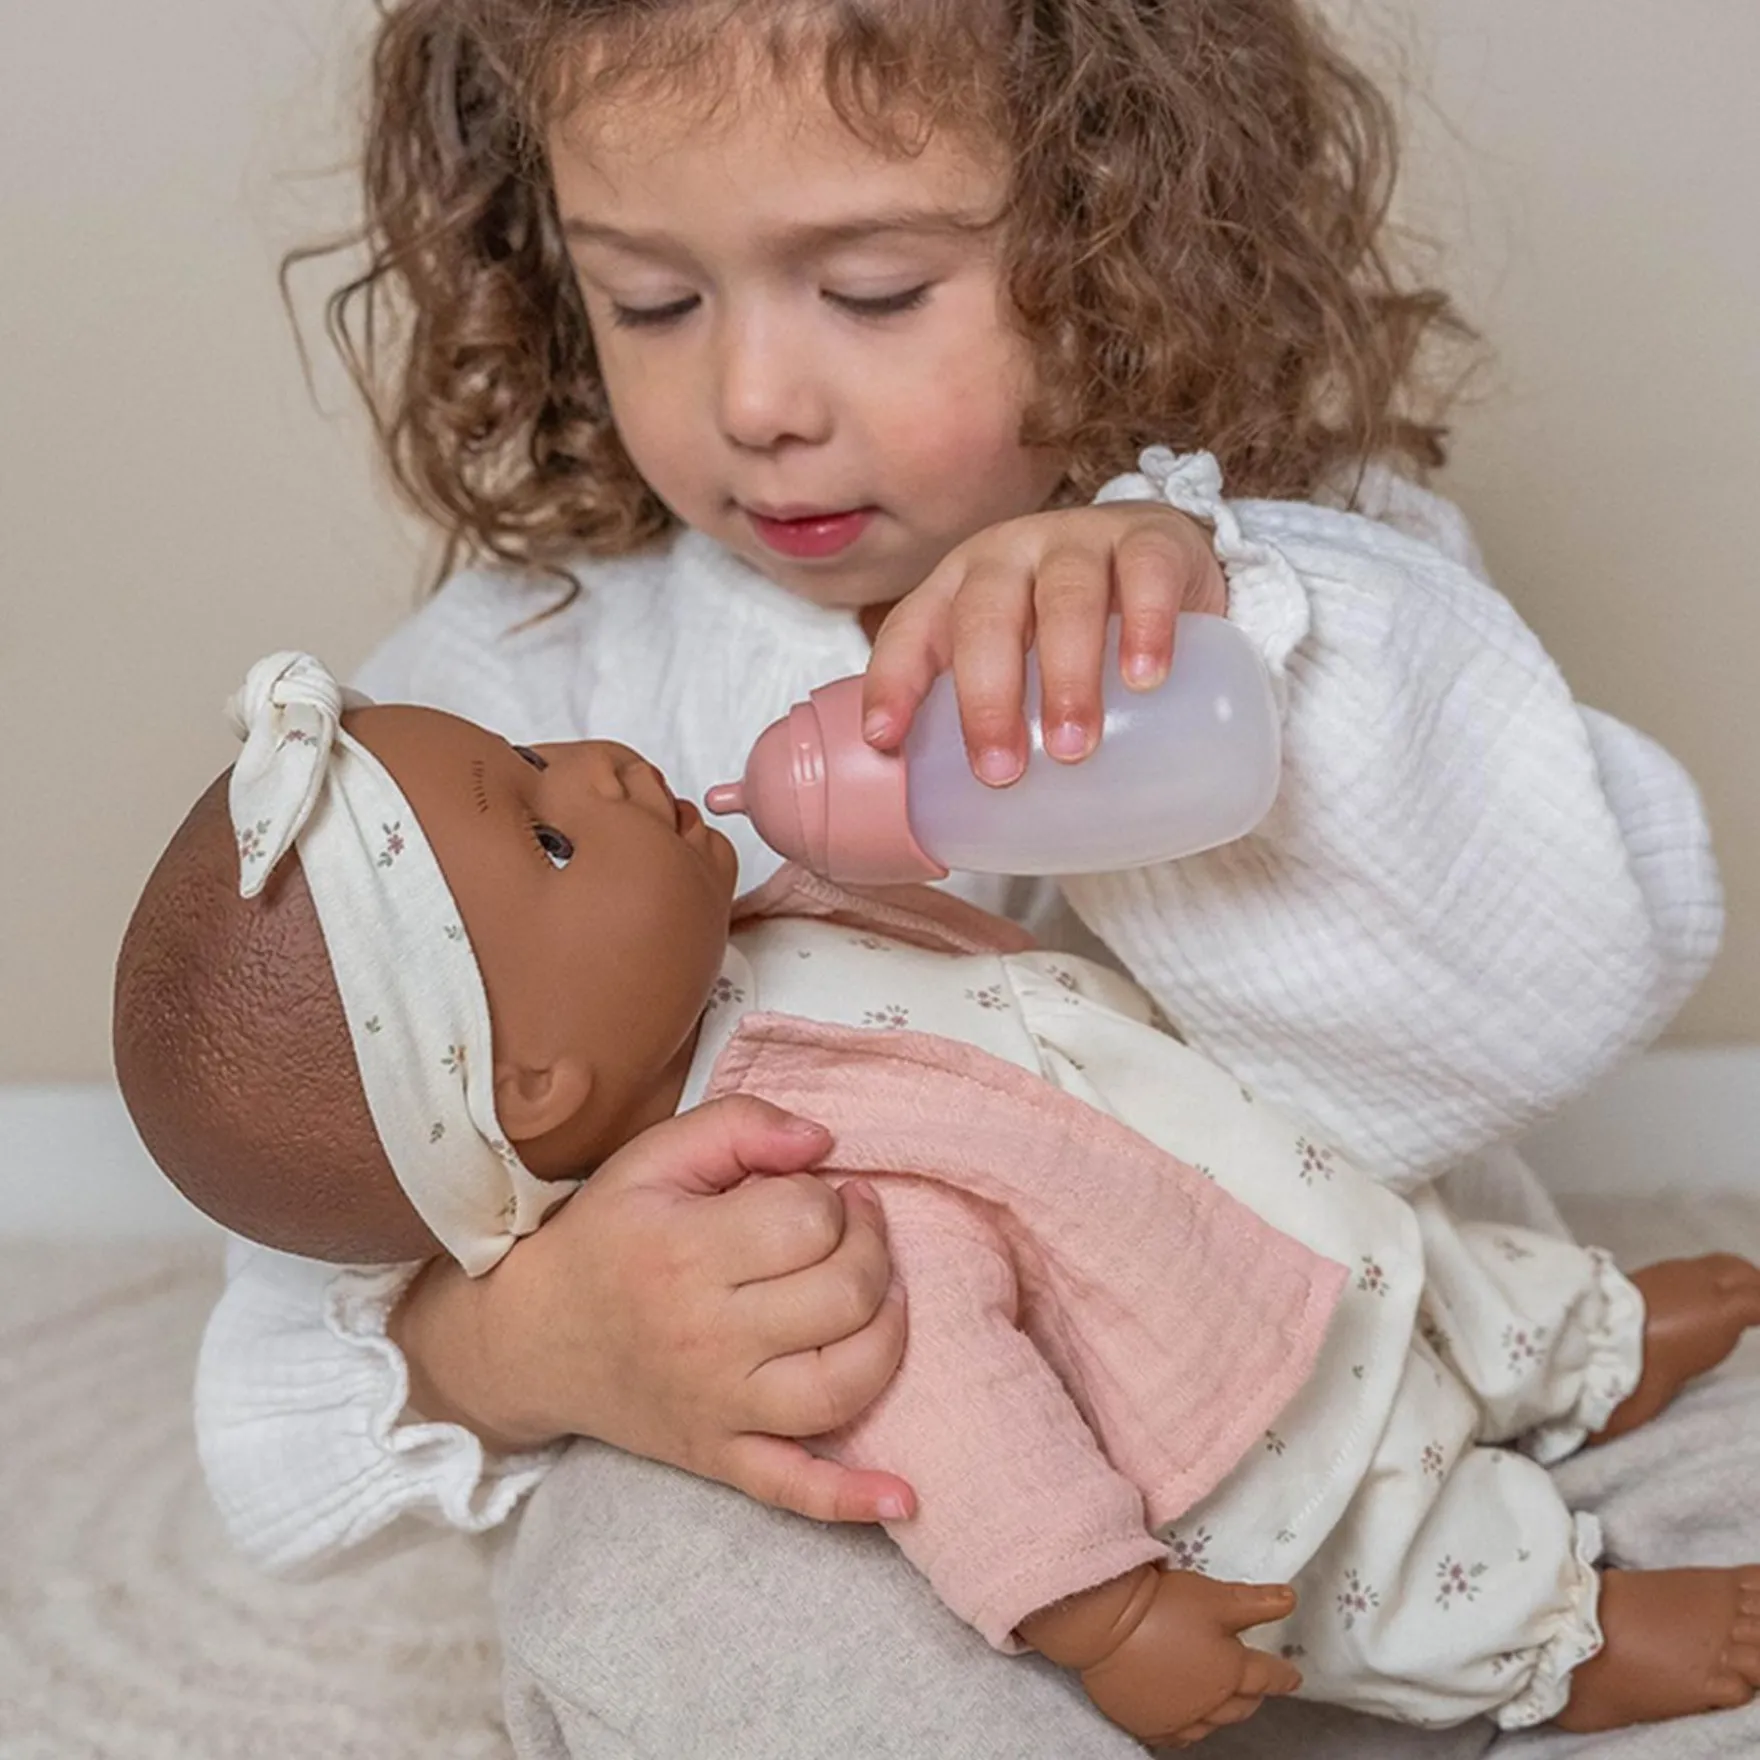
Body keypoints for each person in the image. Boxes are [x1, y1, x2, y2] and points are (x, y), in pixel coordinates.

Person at [196, 1, 1722, 1752]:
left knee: (1699, 1461)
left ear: (1116, 231)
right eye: (652, 302)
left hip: (1360, 1347)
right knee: (648, 1588)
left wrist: (1209, 610)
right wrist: (528, 1348)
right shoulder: (500, 702)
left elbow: (1576, 963)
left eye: (872, 292)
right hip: (915, 1515)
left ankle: (1519, 1522)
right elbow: (269, 1410)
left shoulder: (1271, 580)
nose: (754, 405)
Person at [114, 653, 1760, 1745]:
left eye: (537, 752)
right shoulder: (756, 1198)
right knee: (1382, 1553)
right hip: (1215, 1405)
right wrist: (1106, 1610)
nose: (600, 769)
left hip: (1252, 1186)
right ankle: (1562, 1638)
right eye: (548, 836)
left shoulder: (743, 936)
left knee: (1436, 1259)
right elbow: (955, 1406)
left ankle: (1584, 1347)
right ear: (532, 1084)